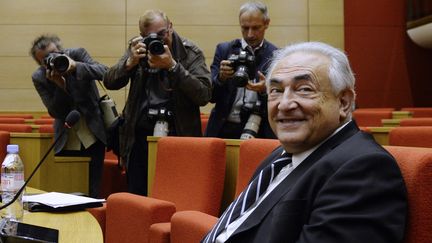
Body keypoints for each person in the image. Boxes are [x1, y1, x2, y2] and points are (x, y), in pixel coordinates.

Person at [202, 42, 407, 243]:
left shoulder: (365, 170)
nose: (284, 104)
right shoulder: (279, 156)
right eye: (276, 90)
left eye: (304, 89)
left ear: (343, 102)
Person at [103, 10, 212, 196]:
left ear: (171, 26)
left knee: (174, 196)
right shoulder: (138, 48)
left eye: (162, 34)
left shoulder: (190, 52)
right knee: (138, 198)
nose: (159, 40)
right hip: (138, 139)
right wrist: (129, 63)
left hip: (178, 138)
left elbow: (204, 94)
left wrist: (173, 67)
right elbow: (109, 81)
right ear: (142, 36)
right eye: (151, 37)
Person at [30, 34, 107, 198]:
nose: (52, 59)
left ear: (61, 49)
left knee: (92, 189)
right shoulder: (39, 77)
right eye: (45, 60)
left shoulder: (77, 55)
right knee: (66, 191)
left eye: (54, 53)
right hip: (65, 139)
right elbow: (55, 112)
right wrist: (61, 87)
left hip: (92, 133)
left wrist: (76, 67)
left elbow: (104, 72)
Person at [205, 1, 278, 139]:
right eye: (245, 28)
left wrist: (264, 91)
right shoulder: (224, 50)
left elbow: (279, 103)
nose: (250, 34)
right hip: (222, 129)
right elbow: (210, 96)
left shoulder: (276, 55)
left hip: (259, 130)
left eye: (256, 28)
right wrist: (221, 78)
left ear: (267, 23)